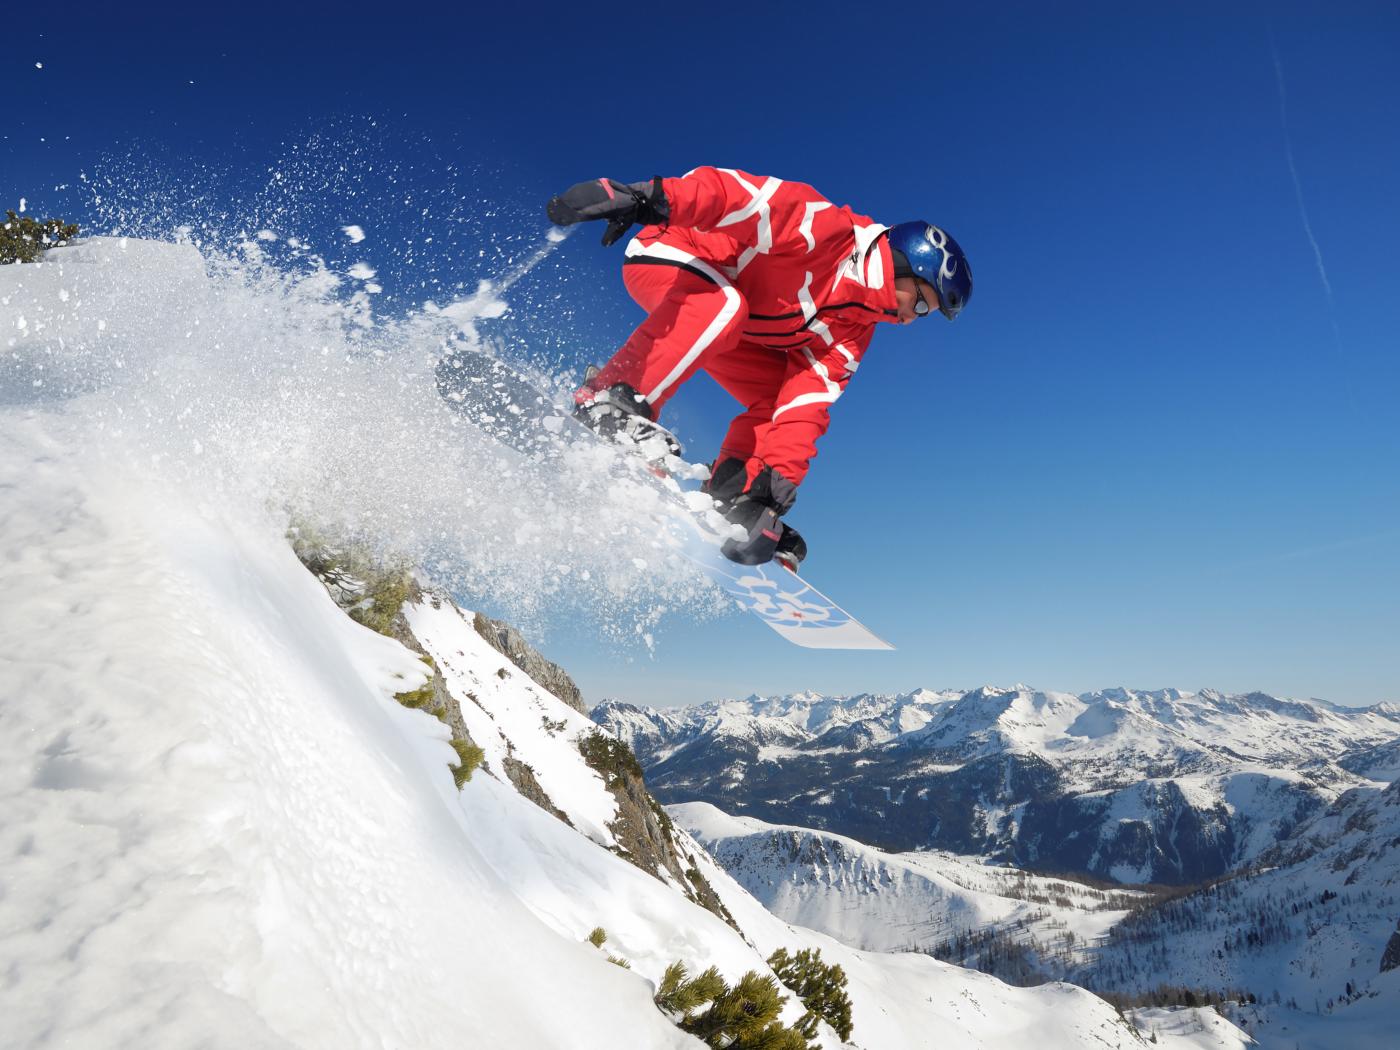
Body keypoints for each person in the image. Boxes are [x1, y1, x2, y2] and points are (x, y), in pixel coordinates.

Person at [546, 167, 972, 570]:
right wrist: (649, 198)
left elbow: (806, 403)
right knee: (725, 306)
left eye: (926, 315)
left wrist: (768, 497)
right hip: (672, 253)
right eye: (921, 304)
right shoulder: (826, 232)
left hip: (722, 320)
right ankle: (609, 400)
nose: (912, 320)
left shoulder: (854, 329)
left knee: (777, 395)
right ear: (904, 265)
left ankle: (733, 492)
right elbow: (738, 199)